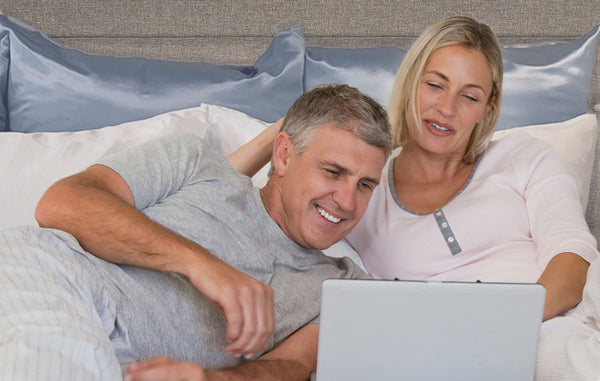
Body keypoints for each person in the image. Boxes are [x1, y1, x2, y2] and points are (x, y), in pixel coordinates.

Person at [230, 17, 600, 380]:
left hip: (551, 327)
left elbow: (574, 258)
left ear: (488, 107)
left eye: (469, 96)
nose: (446, 108)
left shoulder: (523, 156)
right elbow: (228, 198)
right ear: (410, 83)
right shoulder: (361, 185)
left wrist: (501, 327)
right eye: (435, 85)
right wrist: (277, 131)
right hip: (441, 350)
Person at [0, 84, 392, 380]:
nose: (346, 200)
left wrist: (208, 379)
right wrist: (202, 265)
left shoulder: (343, 285)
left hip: (123, 367)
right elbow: (62, 203)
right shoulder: (195, 164)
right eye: (333, 172)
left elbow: (291, 365)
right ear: (285, 155)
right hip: (56, 282)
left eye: (364, 185)